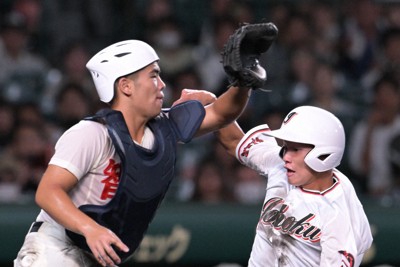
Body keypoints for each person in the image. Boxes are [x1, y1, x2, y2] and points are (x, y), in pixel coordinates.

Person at [14, 38, 254, 267]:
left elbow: (223, 113)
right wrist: (90, 228)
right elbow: (47, 192)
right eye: (154, 75)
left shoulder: (164, 127)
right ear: (126, 86)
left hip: (98, 255)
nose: (162, 85)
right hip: (57, 247)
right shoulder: (91, 133)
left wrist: (244, 79)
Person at [216, 105, 373, 266]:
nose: (286, 156)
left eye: (295, 149)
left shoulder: (339, 216)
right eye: (285, 147)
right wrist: (213, 106)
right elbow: (234, 141)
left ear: (323, 153)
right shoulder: (280, 165)